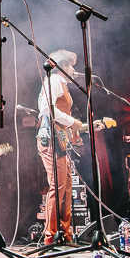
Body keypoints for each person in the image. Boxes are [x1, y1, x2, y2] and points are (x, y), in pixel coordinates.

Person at [35, 49, 88, 245]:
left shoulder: (61, 84)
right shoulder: (55, 80)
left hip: (61, 140)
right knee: (57, 186)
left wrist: (74, 130)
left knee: (65, 186)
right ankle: (50, 236)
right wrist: (73, 122)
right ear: (63, 67)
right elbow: (48, 110)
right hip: (50, 140)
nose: (74, 69)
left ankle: (64, 234)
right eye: (71, 66)